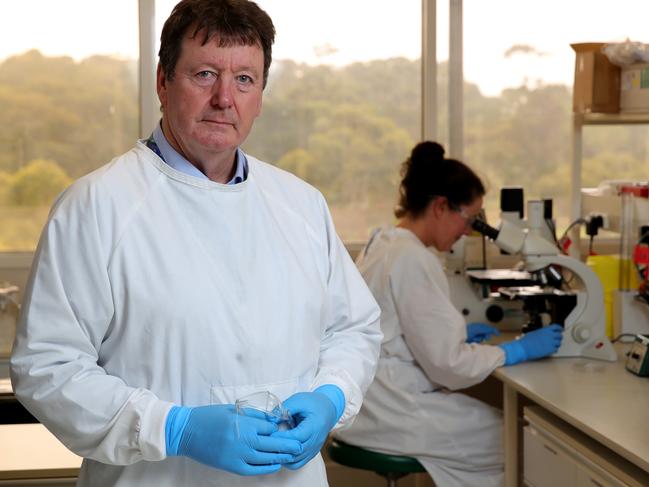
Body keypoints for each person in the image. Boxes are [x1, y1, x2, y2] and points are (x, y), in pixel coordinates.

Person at [10, 1, 382, 485]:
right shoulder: (96, 206)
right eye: (205, 74)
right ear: (163, 81)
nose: (225, 98)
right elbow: (48, 367)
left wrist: (331, 396)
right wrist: (175, 428)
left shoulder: (302, 204)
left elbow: (354, 329)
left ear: (261, 94)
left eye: (245, 80)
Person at [335, 141, 563, 487]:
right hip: (395, 412)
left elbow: (394, 329)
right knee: (521, 442)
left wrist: (456, 335)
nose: (468, 231)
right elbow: (450, 366)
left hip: (371, 407)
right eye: (469, 218)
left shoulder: (382, 242)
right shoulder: (412, 258)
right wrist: (515, 350)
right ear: (441, 206)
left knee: (498, 435)